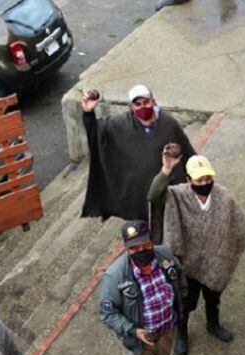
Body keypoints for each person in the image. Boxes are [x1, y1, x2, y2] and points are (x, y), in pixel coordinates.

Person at [149, 151, 245, 355]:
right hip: (188, 261)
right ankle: (182, 333)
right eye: (199, 179)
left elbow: (237, 227)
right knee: (185, 302)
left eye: (208, 178)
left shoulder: (224, 196)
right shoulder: (177, 195)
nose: (205, 182)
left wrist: (227, 250)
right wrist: (166, 170)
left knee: (214, 295)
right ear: (189, 180)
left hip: (216, 259)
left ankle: (213, 324)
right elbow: (153, 195)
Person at [98, 220, 188, 355]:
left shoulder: (164, 255)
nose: (140, 251)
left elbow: (180, 277)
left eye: (144, 245)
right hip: (138, 341)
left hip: (167, 327)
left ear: (151, 241)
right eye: (133, 248)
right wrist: (132, 330)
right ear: (126, 249)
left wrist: (180, 306)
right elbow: (107, 313)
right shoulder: (115, 276)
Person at [80, 84, 197, 241]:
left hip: (168, 194)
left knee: (174, 232)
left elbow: (188, 152)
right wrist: (88, 113)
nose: (142, 107)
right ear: (131, 106)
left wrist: (198, 177)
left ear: (153, 101)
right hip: (138, 199)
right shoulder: (120, 125)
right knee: (145, 239)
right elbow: (96, 132)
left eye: (146, 102)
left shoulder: (168, 124)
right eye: (137, 104)